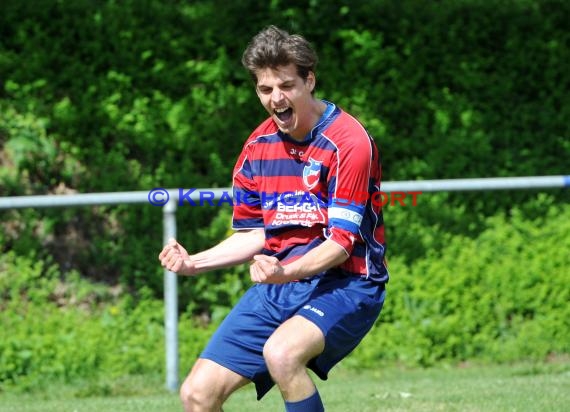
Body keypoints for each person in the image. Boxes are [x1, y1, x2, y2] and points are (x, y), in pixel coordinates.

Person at [159, 25, 388, 412]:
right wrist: (194, 262)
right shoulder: (257, 148)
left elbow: (340, 244)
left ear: (309, 81)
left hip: (348, 282)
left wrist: (285, 272)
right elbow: (256, 233)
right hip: (283, 284)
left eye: (286, 86)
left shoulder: (348, 142)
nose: (276, 99)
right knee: (197, 396)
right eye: (266, 90)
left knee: (281, 355)